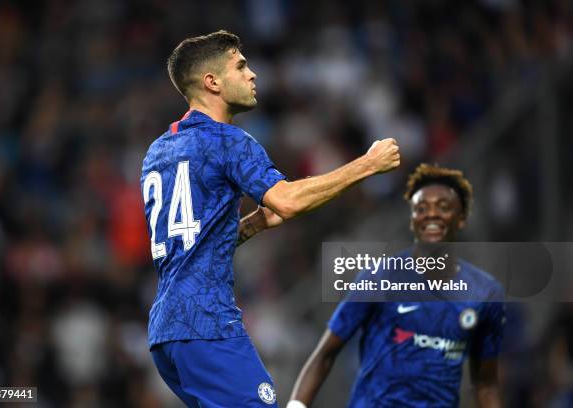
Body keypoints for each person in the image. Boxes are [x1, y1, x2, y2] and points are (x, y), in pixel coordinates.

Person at [140, 30, 400, 407]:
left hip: (166, 333)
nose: (253, 74)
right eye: (240, 66)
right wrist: (367, 165)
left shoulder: (158, 152)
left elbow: (188, 244)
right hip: (207, 325)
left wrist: (253, 225)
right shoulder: (229, 141)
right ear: (211, 82)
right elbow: (288, 200)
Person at [288, 164, 505, 408]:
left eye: (443, 207)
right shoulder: (379, 277)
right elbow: (325, 354)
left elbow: (486, 383)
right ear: (412, 219)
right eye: (421, 208)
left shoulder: (485, 293)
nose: (431, 214)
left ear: (462, 218)